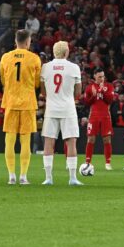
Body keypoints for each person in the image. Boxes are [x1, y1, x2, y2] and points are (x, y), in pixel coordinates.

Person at [0, 30, 41, 185]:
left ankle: (11, 176)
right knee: (25, 141)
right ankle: (23, 176)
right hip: (28, 103)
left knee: (9, 140)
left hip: (10, 102)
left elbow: (3, 80)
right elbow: (37, 83)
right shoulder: (34, 59)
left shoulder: (5, 57)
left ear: (16, 41)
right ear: (28, 41)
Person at [39, 41, 84, 186]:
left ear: (54, 52)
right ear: (66, 52)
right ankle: (72, 178)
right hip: (68, 109)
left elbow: (43, 91)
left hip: (51, 108)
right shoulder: (74, 68)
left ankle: (48, 178)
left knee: (48, 142)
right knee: (71, 142)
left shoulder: (45, 68)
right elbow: (78, 93)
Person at [83, 68, 115, 171]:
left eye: (103, 76)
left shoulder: (109, 86)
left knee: (107, 139)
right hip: (94, 116)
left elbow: (110, 100)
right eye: (100, 76)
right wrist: (93, 95)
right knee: (91, 139)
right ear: (95, 76)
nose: (102, 78)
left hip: (106, 116)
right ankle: (87, 162)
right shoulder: (89, 87)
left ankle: (108, 163)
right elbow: (86, 103)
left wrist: (102, 91)